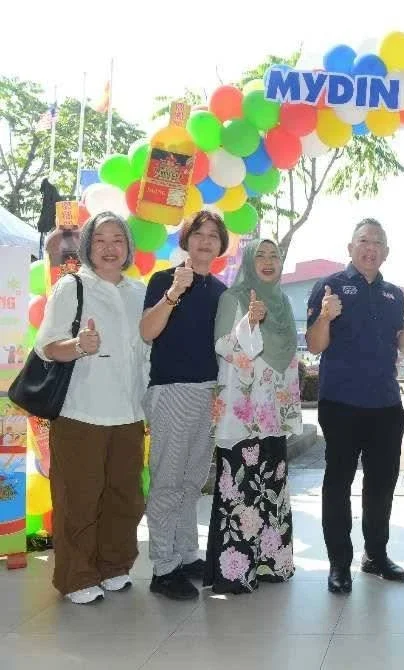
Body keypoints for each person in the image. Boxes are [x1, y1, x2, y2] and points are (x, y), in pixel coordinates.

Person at [33, 211, 147, 605]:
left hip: (129, 413)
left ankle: (114, 566)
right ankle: (77, 576)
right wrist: (79, 345)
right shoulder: (72, 286)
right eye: (100, 240)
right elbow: (47, 347)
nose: (110, 248)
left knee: (125, 497)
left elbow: (145, 351)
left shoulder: (139, 292)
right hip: (81, 412)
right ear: (87, 246)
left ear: (128, 247)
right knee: (78, 499)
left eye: (118, 239)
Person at [305, 219, 404, 595]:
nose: (370, 248)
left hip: (386, 404)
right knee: (338, 484)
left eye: (377, 243)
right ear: (350, 247)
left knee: (381, 484)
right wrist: (325, 316)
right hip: (340, 403)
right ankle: (339, 563)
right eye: (364, 241)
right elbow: (315, 346)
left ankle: (376, 555)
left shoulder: (394, 295)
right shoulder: (329, 286)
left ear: (386, 252)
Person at [204, 239, 302, 595]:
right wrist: (249, 322)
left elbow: (288, 355)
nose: (268, 261)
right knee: (240, 487)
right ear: (248, 261)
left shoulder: (283, 302)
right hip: (242, 409)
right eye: (260, 255)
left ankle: (271, 563)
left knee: (269, 486)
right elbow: (222, 345)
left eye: (274, 255)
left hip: (272, 410)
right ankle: (236, 571)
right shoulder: (234, 298)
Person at [139, 210, 228, 600]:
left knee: (192, 480)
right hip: (172, 390)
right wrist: (174, 293)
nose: (205, 241)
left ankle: (186, 553)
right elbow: (147, 331)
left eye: (213, 235)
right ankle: (163, 566)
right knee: (167, 480)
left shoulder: (222, 292)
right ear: (186, 239)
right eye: (198, 234)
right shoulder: (164, 280)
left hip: (209, 392)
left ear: (221, 245)